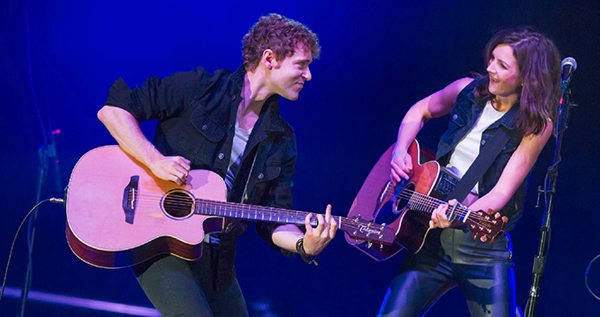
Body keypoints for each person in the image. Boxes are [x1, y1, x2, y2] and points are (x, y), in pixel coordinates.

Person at [97, 13, 337, 317]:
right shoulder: (200, 89)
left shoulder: (282, 140)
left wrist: (305, 243)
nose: (309, 76)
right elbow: (113, 111)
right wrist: (155, 161)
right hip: (160, 244)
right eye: (301, 65)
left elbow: (274, 218)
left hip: (217, 260)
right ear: (270, 58)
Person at [379, 27, 561, 316]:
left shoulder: (536, 124)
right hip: (431, 238)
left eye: (502, 65)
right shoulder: (467, 90)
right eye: (492, 59)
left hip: (482, 247)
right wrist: (400, 150)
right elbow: (421, 110)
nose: (490, 69)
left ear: (527, 77)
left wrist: (457, 212)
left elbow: (502, 191)